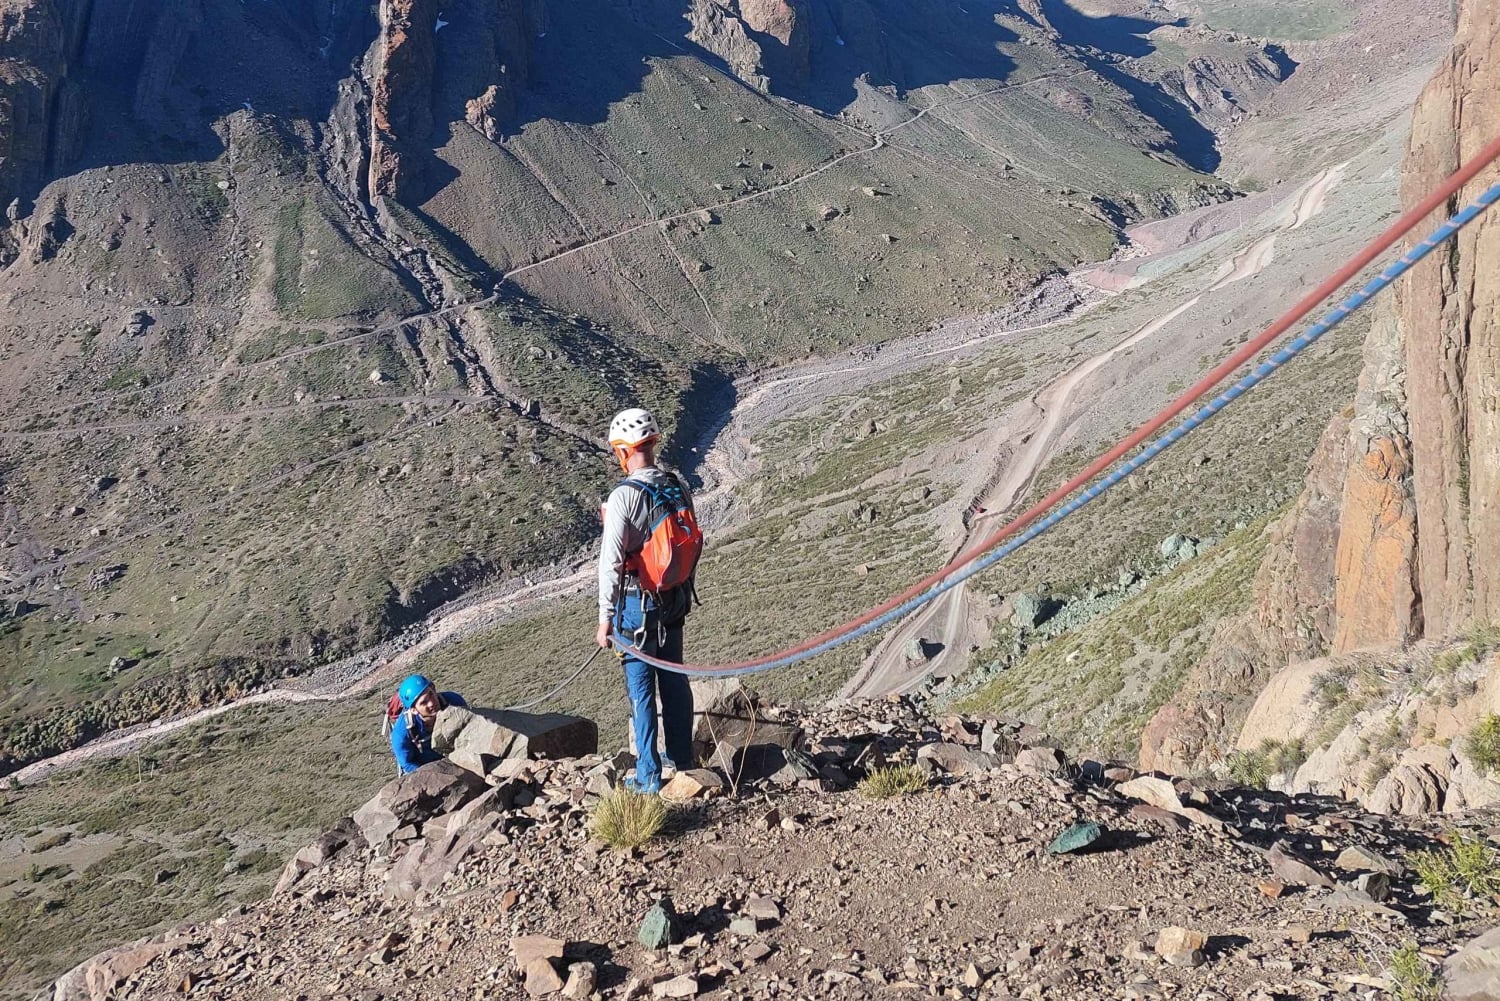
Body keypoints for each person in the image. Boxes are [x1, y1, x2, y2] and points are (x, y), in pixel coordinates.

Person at [596, 407, 703, 794]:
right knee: (674, 680)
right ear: (653, 443)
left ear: (623, 450)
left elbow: (611, 564)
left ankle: (648, 776)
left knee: (641, 692)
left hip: (634, 607)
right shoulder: (677, 484)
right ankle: (683, 760)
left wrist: (605, 619)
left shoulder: (623, 497)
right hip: (673, 598)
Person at [386, 673, 467, 774]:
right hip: (426, 768)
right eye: (424, 702)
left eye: (431, 694)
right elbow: (407, 764)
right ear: (414, 710)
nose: (432, 703)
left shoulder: (454, 701)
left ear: (433, 689)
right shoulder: (401, 733)